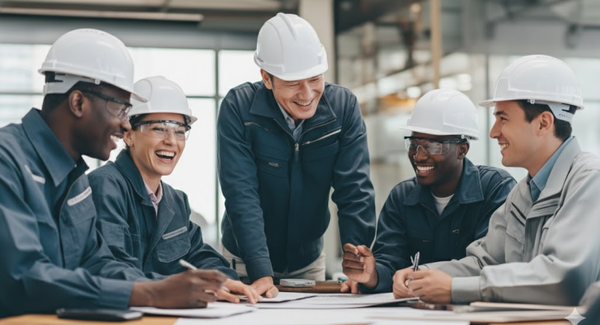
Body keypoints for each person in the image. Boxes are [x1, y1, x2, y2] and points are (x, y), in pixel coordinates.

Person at [0, 29, 226, 318]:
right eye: (120, 109)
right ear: (78, 102)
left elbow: (97, 262)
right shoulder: (7, 161)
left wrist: (176, 288)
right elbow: (21, 276)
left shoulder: (75, 179)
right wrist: (152, 293)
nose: (126, 126)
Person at [392, 55, 600, 306]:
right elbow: (486, 262)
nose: (493, 132)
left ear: (543, 123)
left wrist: (455, 289)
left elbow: (565, 279)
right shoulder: (523, 193)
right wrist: (423, 275)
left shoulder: (589, 181)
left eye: (503, 118)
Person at [217, 12, 376, 297]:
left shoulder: (343, 108)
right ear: (266, 77)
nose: (307, 94)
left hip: (307, 261)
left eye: (315, 79)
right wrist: (260, 271)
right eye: (293, 83)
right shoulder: (239, 109)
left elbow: (355, 192)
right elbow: (241, 194)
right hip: (243, 260)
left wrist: (357, 266)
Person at [89, 76, 260, 304]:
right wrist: (177, 289)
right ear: (128, 134)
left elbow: (199, 255)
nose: (171, 141)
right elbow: (111, 269)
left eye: (180, 131)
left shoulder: (174, 201)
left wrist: (222, 280)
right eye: (159, 129)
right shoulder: (105, 187)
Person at [341, 89, 516, 294]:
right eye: (414, 145)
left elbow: (489, 262)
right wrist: (372, 275)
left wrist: (422, 273)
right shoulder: (401, 198)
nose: (419, 156)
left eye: (432, 146)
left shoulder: (495, 189)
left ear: (462, 149)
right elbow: (390, 262)